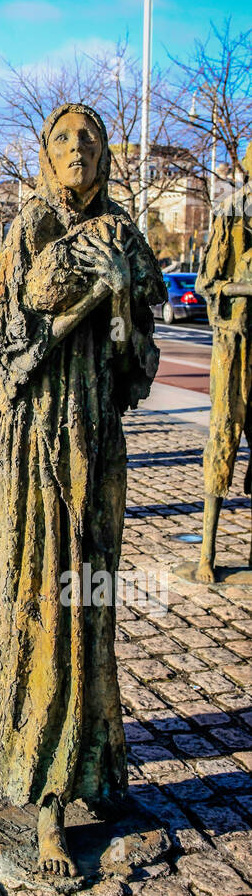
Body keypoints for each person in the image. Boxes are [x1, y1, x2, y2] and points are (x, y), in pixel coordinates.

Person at [0, 104, 166, 878]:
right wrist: (71, 311)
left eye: (90, 140)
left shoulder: (124, 230)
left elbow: (139, 372)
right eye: (63, 139)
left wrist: (127, 321)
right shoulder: (28, 225)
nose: (78, 150)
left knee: (93, 603)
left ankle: (95, 765)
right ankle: (41, 789)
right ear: (44, 154)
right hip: (40, 443)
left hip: (100, 437)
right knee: (44, 603)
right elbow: (10, 342)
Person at [193, 146, 252, 581]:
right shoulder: (231, 214)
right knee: (221, 441)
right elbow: (208, 284)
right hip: (233, 347)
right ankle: (205, 556)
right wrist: (242, 288)